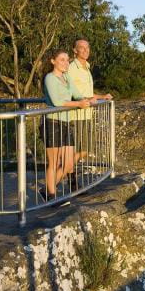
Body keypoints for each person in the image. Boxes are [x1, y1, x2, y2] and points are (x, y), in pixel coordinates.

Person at [42, 49, 92, 200]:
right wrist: (78, 103)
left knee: (69, 163)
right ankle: (51, 196)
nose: (65, 63)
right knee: (54, 162)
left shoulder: (67, 77)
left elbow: (77, 94)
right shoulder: (50, 78)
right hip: (52, 122)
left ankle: (46, 190)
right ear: (53, 61)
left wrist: (88, 99)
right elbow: (57, 102)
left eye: (67, 60)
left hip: (65, 122)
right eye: (62, 59)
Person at [67, 39, 112, 180]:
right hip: (75, 115)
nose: (86, 50)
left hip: (86, 114)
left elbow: (87, 92)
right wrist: (85, 99)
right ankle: (63, 176)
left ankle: (68, 175)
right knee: (78, 150)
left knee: (84, 150)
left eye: (87, 47)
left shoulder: (86, 67)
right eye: (82, 48)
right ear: (75, 50)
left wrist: (102, 97)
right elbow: (70, 92)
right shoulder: (71, 68)